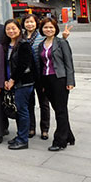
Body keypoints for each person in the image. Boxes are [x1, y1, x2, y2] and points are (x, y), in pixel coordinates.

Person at [37, 18, 76, 151]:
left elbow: (68, 62)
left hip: (59, 79)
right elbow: (42, 64)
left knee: (60, 110)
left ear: (55, 29)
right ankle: (69, 136)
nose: (48, 29)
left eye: (51, 27)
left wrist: (70, 81)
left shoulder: (61, 42)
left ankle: (60, 141)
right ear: (42, 29)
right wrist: (42, 83)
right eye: (46, 27)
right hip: (46, 80)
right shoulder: (41, 45)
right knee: (59, 109)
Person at [3, 19, 35, 150]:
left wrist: (12, 80)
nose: (11, 31)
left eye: (13, 28)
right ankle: (19, 135)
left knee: (22, 110)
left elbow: (23, 65)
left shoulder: (23, 44)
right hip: (12, 82)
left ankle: (23, 140)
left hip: (23, 83)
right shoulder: (7, 44)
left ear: (19, 29)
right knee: (18, 110)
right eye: (8, 29)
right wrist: (6, 79)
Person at [21, 13, 50, 140]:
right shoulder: (21, 38)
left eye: (32, 22)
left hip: (41, 75)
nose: (29, 24)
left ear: (36, 23)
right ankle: (31, 128)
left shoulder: (42, 37)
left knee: (44, 103)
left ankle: (45, 129)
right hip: (27, 76)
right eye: (27, 22)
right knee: (29, 103)